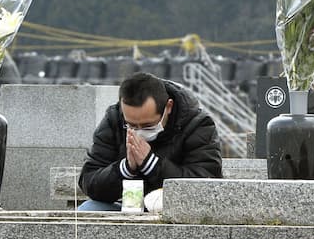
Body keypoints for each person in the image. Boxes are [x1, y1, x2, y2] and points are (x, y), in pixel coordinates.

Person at [77, 72, 222, 210]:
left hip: (176, 212)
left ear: (168, 107)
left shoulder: (197, 124)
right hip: (126, 207)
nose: (139, 131)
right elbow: (89, 180)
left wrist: (151, 165)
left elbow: (206, 185)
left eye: (148, 126)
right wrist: (125, 169)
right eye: (132, 125)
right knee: (87, 209)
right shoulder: (114, 119)